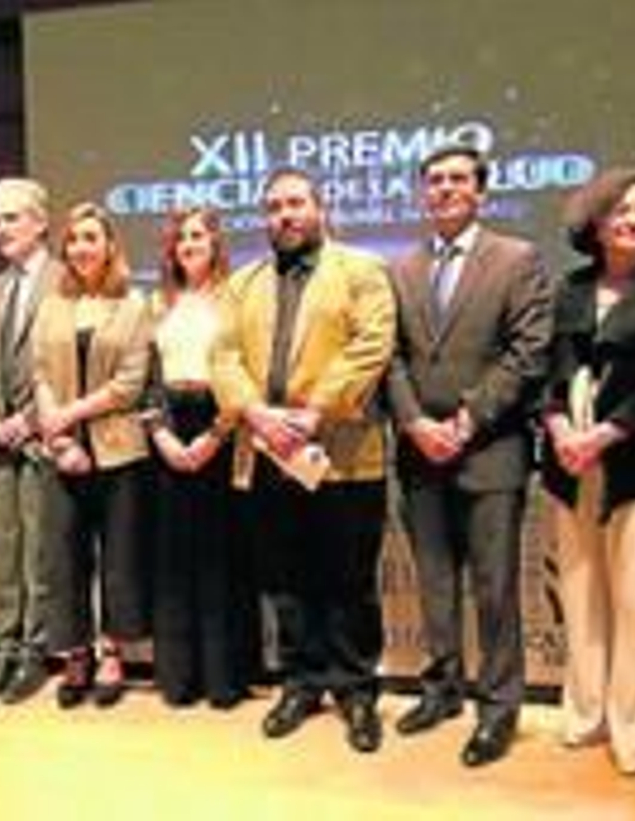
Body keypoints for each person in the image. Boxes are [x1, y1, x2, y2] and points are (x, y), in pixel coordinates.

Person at [213, 168, 396, 754]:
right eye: (273, 207)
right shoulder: (243, 282)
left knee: (348, 579)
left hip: (341, 455)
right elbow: (223, 355)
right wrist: (255, 413)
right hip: (266, 454)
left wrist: (315, 412)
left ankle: (357, 690)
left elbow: (373, 345)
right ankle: (301, 682)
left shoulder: (361, 271)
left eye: (295, 204)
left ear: (320, 207)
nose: (284, 216)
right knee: (285, 578)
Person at [385, 145, 553, 767]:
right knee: (434, 585)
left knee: (495, 589)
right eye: (434, 181)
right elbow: (392, 357)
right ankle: (441, 690)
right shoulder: (399, 268)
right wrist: (413, 422)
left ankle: (498, 709)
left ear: (481, 191)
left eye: (458, 180)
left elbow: (528, 351)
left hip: (490, 453)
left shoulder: (517, 259)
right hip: (420, 452)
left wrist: (465, 419)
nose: (445, 190)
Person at [539, 168, 635, 775]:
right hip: (569, 465)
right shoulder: (570, 290)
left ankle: (633, 732)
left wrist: (607, 433)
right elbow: (551, 373)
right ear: (596, 222)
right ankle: (583, 714)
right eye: (623, 211)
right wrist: (560, 432)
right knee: (579, 598)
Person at [33, 203, 153, 710]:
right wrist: (59, 436)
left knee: (120, 559)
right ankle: (76, 653)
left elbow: (130, 382)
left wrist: (72, 414)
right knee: (65, 559)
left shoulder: (134, 303)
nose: (81, 247)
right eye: (74, 239)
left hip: (119, 450)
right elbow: (38, 373)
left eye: (91, 238)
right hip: (61, 452)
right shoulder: (51, 305)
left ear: (110, 246)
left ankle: (112, 653)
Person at [146, 206, 260, 710]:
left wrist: (216, 435)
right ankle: (179, 678)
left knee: (222, 558)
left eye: (198, 235)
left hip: (221, 426)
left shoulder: (235, 300)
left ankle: (223, 679)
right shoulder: (155, 302)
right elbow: (145, 378)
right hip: (170, 429)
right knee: (173, 560)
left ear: (216, 244)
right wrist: (164, 437)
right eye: (180, 237)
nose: (188, 244)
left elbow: (244, 373)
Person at [0, 177, 63, 707]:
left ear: (40, 221)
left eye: (12, 218)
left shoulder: (67, 280)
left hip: (43, 439)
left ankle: (35, 651)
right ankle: (2, 649)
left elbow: (72, 366)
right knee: (3, 555)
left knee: (39, 557)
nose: (1, 228)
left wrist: (30, 418)